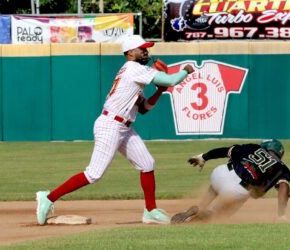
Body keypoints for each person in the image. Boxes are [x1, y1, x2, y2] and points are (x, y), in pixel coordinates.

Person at [36, 35, 195, 225]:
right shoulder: (134, 68)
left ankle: (150, 211)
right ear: (130, 53)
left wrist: (159, 92)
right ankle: (48, 197)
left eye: (146, 48)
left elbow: (143, 109)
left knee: (147, 164)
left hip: (124, 127)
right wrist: (186, 70)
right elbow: (172, 80)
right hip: (110, 125)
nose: (146, 51)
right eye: (141, 48)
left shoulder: (135, 73)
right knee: (94, 174)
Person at [171, 139, 290, 223]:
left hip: (220, 173)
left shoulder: (253, 147)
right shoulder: (282, 168)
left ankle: (200, 206)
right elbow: (283, 188)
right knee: (218, 214)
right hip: (236, 190)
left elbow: (225, 151)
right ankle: (199, 218)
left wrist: (203, 157)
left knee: (218, 182)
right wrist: (281, 214)